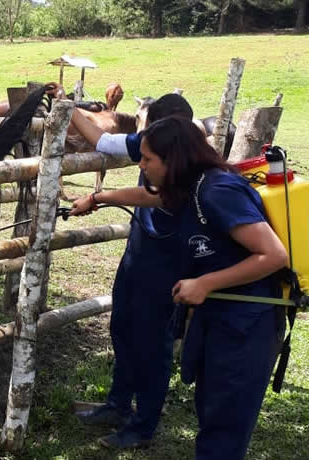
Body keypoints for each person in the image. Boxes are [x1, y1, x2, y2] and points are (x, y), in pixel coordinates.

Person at [71, 116, 287, 460]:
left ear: (173, 161)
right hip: (219, 315)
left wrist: (205, 283)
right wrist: (98, 198)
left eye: (147, 160)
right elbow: (148, 196)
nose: (141, 166)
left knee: (224, 427)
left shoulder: (217, 191)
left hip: (247, 321)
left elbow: (274, 254)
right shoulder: (189, 187)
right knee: (211, 410)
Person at [68, 94, 195, 449]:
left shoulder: (189, 163)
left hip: (169, 264)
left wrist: (98, 197)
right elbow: (102, 140)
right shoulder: (155, 143)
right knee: (121, 326)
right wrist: (68, 104)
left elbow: (157, 197)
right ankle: (118, 404)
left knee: (154, 345)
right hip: (139, 253)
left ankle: (142, 426)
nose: (145, 150)